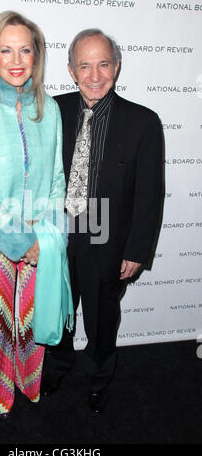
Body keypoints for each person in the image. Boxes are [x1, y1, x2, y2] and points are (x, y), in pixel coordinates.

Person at [0, 11, 72, 418]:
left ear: (36, 58)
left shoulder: (49, 109)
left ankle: (30, 384)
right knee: (1, 322)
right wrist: (20, 240)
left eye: (25, 49)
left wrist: (49, 233)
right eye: (6, 50)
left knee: (32, 318)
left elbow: (57, 177)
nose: (16, 59)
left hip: (42, 235)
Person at [41, 29, 163, 414]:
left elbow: (149, 194)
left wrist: (136, 251)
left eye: (103, 64)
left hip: (107, 237)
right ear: (71, 70)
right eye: (85, 65)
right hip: (58, 233)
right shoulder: (50, 112)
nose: (95, 75)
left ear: (116, 66)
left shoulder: (143, 122)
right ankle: (57, 367)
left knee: (101, 316)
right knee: (58, 310)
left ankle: (98, 378)